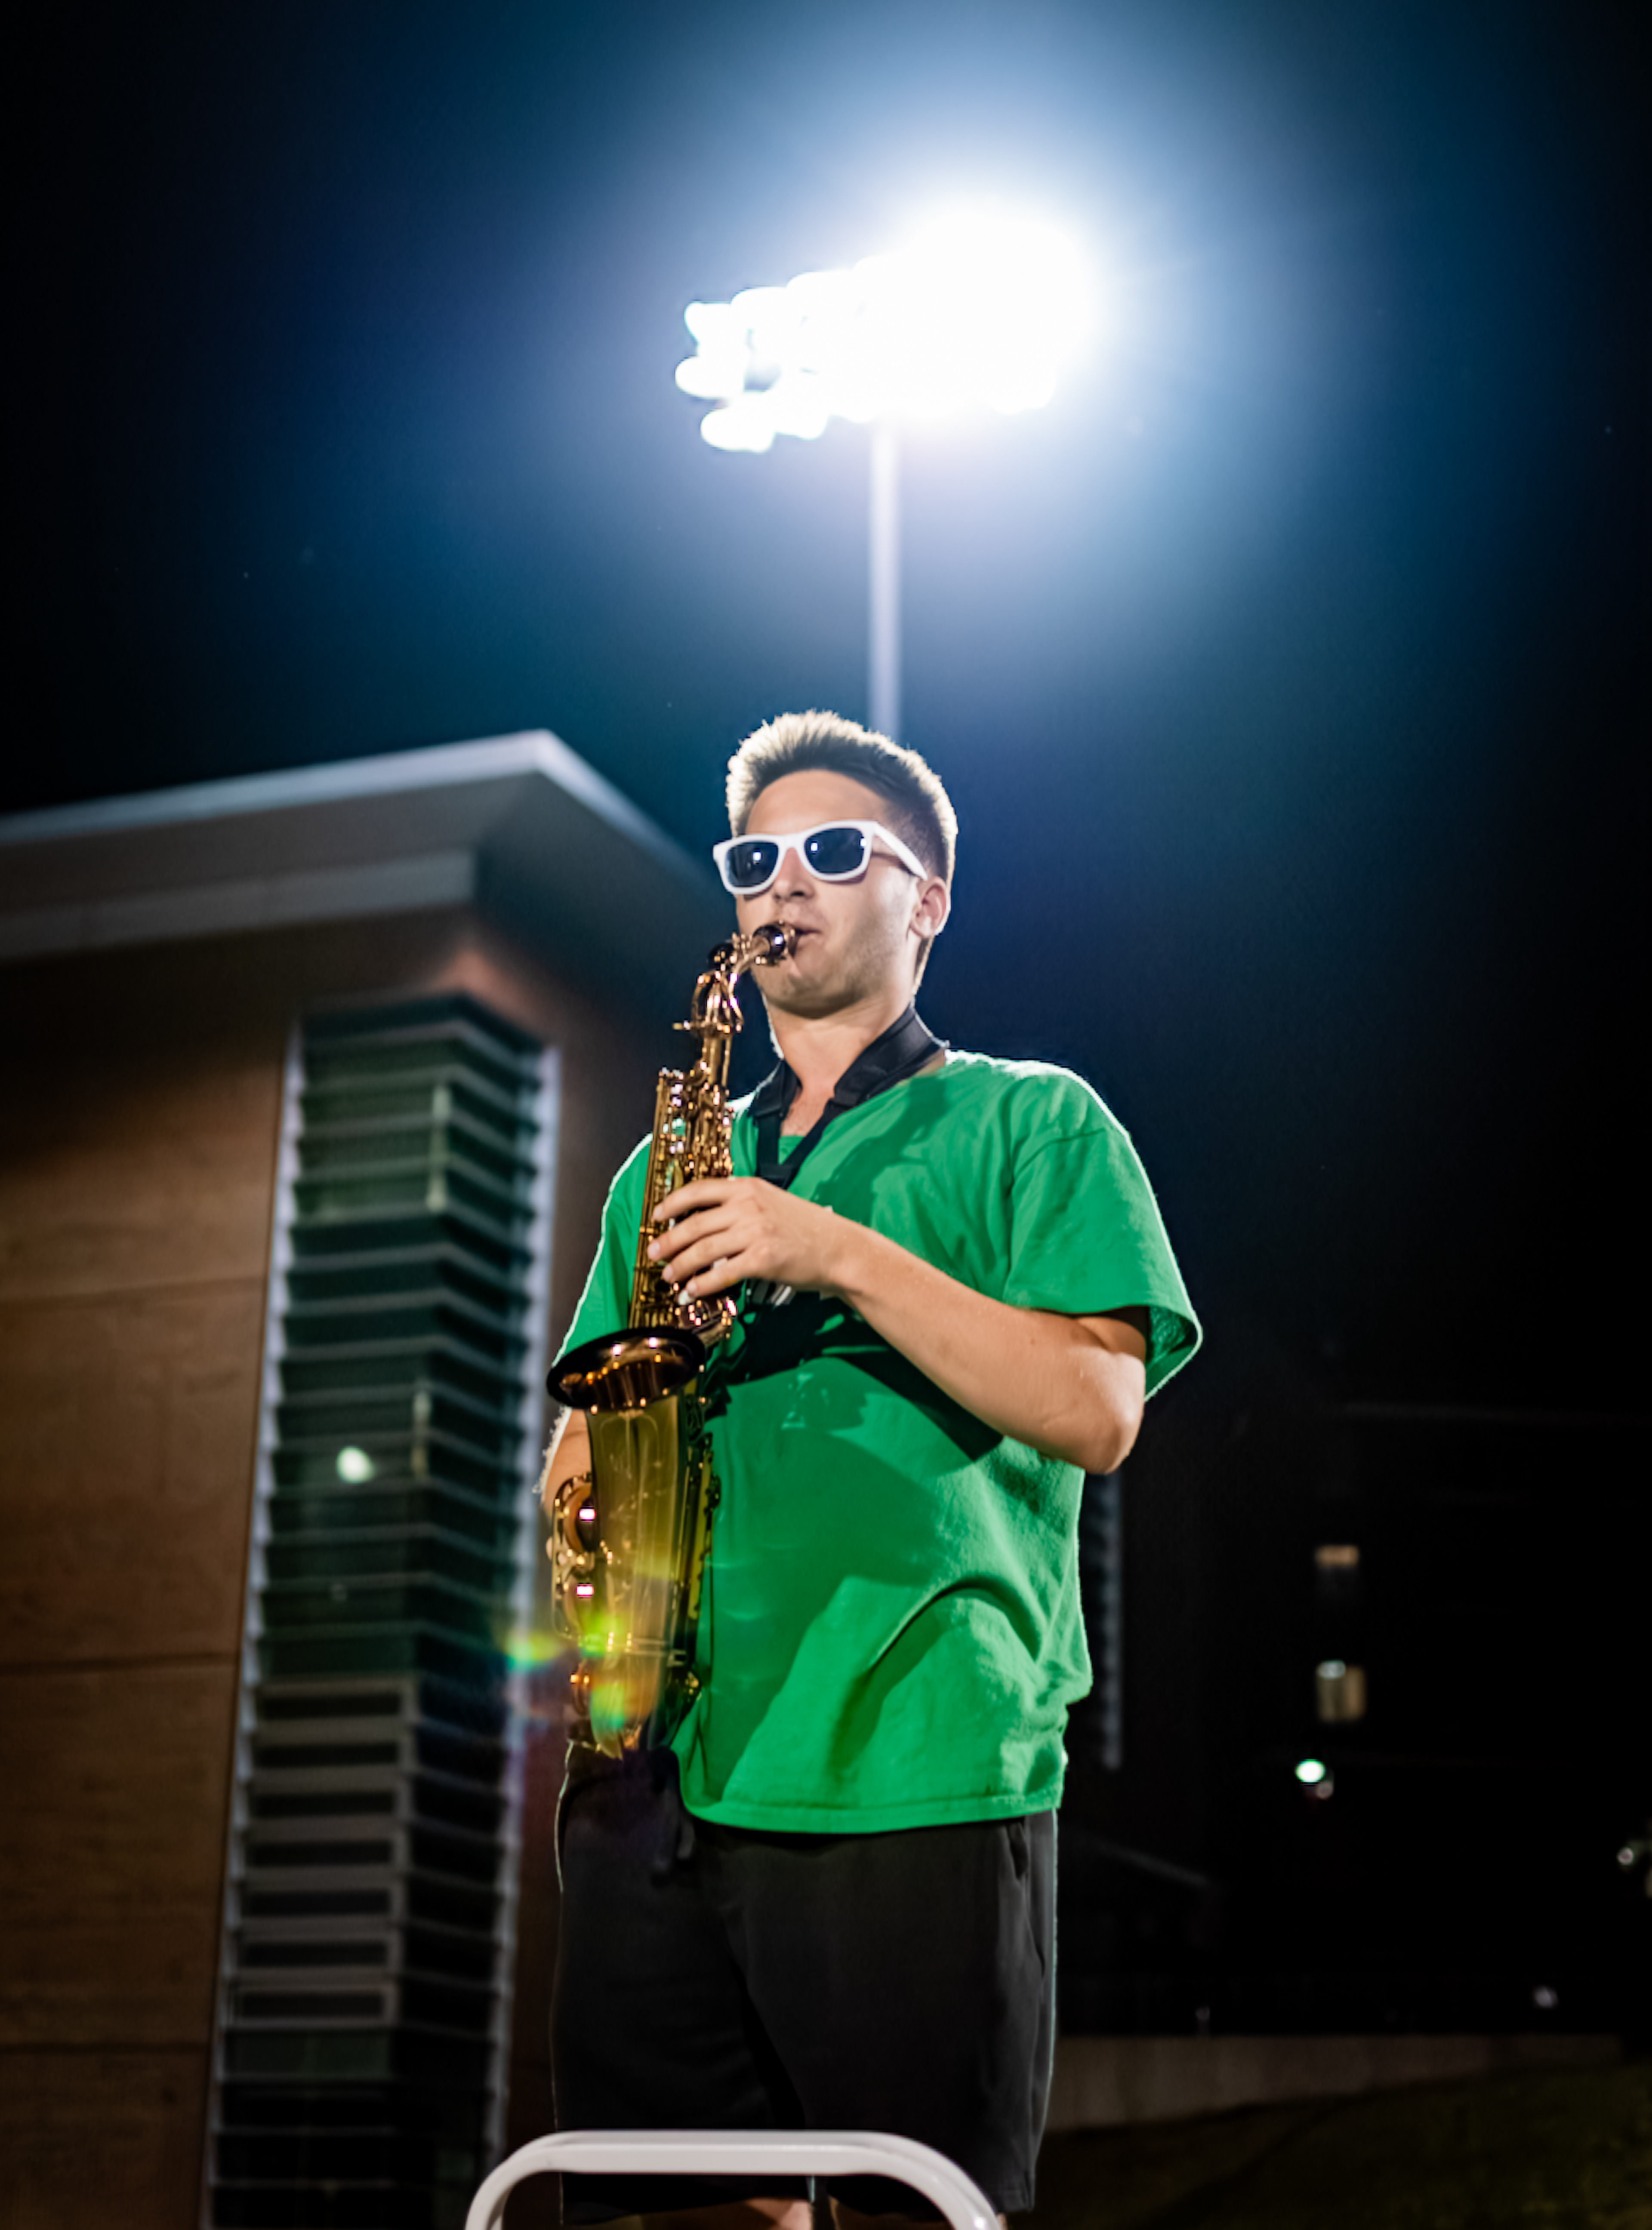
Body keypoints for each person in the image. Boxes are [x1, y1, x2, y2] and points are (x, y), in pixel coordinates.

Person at [542, 712, 1199, 2230]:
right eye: (753, 859)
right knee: (668, 2212)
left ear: (929, 899)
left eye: (835, 850)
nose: (784, 882)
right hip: (654, 1764)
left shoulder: (1035, 1119)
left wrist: (831, 1251)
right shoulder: (663, 1172)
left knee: (914, 2211)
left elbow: (1099, 1409)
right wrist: (583, 1488)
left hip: (913, 1762)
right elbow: (585, 1422)